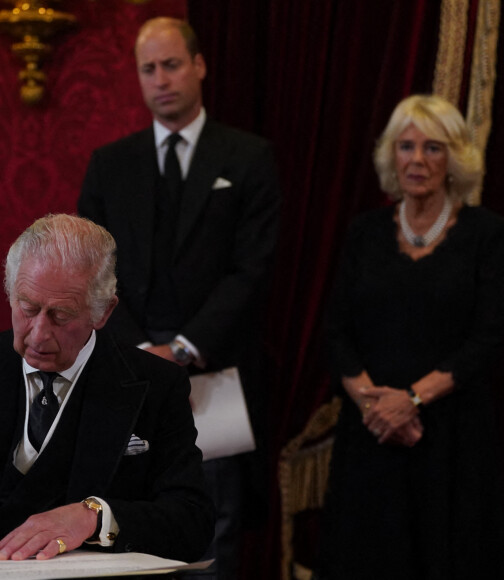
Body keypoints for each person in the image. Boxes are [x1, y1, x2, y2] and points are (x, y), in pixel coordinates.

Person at [78, 16, 280, 579]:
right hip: (125, 379)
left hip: (214, 383)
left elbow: (252, 269)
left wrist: (184, 350)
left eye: (171, 64)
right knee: (126, 537)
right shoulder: (110, 164)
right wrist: (142, 352)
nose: (161, 78)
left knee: (214, 541)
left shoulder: (248, 157)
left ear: (199, 66)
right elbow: (91, 272)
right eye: (149, 69)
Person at [317, 95, 504, 579]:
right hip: (372, 432)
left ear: (454, 160)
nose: (417, 160)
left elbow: (488, 337)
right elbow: (336, 330)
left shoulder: (487, 234)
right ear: (390, 157)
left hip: (450, 436)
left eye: (432, 148)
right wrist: (376, 407)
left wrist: (413, 401)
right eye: (406, 146)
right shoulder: (363, 233)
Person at [0, 214, 214, 563]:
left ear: (103, 312)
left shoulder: (157, 384)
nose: (38, 334)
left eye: (61, 315)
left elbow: (192, 522)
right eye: (28, 308)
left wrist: (95, 517)